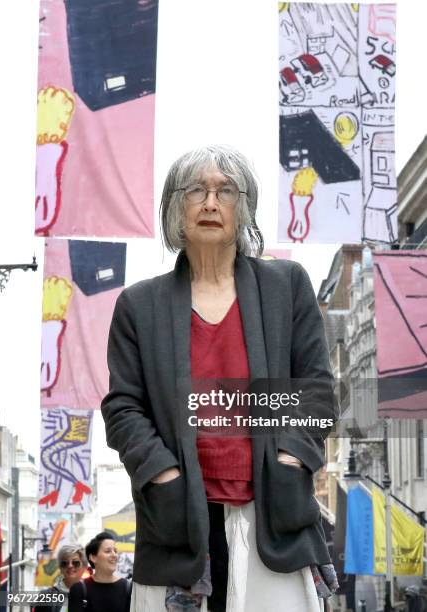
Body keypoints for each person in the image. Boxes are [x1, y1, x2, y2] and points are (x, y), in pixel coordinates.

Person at [101, 145, 338, 612]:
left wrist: (290, 459)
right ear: (176, 206)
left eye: (225, 190)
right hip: (176, 518)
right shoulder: (139, 305)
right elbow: (123, 408)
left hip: (271, 511)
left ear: (242, 207)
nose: (211, 202)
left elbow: (316, 390)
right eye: (196, 190)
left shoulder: (285, 286)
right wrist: (163, 475)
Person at [68, 532, 131, 612]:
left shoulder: (128, 588)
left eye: (115, 551)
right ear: (93, 557)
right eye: (108, 551)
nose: (114, 555)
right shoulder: (79, 589)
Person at [32, 544, 87, 612]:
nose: (70, 566)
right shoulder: (46, 596)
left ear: (84, 566)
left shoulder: (92, 594)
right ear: (60, 568)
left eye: (75, 562)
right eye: (64, 563)